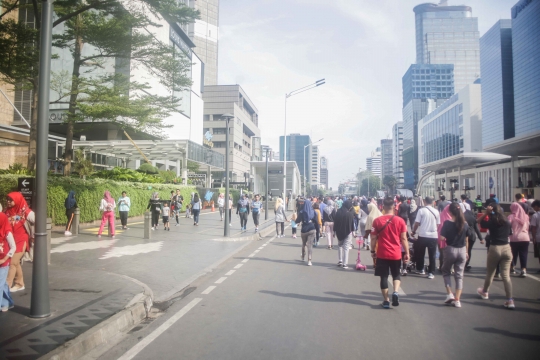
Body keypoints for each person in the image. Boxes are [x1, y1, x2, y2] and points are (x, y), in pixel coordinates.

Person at [370, 197, 409, 309]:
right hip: (396, 253)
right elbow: (404, 238)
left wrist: (373, 251)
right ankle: (396, 292)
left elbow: (373, 238)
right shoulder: (400, 221)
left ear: (382, 206)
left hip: (382, 253)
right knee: (396, 274)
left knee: (384, 277)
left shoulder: (377, 221)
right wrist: (407, 252)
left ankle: (386, 300)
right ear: (394, 207)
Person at [477, 203, 515, 309]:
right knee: (506, 276)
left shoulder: (492, 221)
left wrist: (486, 213)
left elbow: (478, 222)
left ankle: (484, 291)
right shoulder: (507, 221)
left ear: (492, 211)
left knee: (490, 273)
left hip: (495, 248)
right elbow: (510, 233)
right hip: (507, 248)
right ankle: (510, 300)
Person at [439, 202, 469, 308]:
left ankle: (449, 294)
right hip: (462, 251)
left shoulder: (447, 223)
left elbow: (442, 238)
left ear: (450, 212)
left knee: (446, 271)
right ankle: (457, 300)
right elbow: (466, 239)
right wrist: (466, 252)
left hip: (450, 250)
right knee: (459, 276)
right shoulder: (465, 224)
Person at [4, 192, 34, 292]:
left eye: (10, 200)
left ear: (16, 200)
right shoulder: (6, 211)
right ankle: (19, 284)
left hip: (22, 239)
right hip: (12, 241)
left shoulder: (26, 211)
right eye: (7, 199)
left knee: (12, 262)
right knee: (15, 263)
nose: (8, 201)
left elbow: (37, 221)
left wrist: (34, 235)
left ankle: (6, 286)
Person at [411, 196, 440, 279]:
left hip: (423, 235)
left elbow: (417, 223)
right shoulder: (436, 211)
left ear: (424, 201)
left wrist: (414, 231)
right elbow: (438, 224)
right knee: (432, 255)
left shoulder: (421, 211)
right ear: (433, 202)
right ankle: (431, 272)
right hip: (433, 236)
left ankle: (421, 269)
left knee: (421, 253)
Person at [508, 202, 529, 277]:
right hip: (525, 238)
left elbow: (508, 226)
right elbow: (527, 227)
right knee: (524, 254)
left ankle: (513, 267)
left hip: (514, 238)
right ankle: (523, 270)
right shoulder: (526, 216)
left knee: (513, 253)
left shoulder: (511, 217)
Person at [0, 212, 16, 312]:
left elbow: (13, 247)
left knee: (0, 284)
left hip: (3, 262)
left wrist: (4, 259)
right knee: (3, 284)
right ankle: (7, 302)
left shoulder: (7, 232)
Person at [334, 200, 355, 269]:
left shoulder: (338, 212)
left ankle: (340, 260)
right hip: (347, 232)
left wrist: (334, 232)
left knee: (340, 245)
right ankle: (344, 263)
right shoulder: (349, 214)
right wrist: (353, 232)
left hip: (339, 232)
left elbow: (335, 222)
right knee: (346, 248)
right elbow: (352, 224)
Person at [464, 207, 482, 271]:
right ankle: (466, 264)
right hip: (472, 236)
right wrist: (481, 238)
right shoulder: (473, 219)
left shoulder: (463, 217)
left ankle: (462, 263)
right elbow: (477, 229)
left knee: (463, 250)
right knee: (469, 250)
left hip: (464, 235)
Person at [298, 199, 316, 266]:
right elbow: (316, 221)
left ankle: (303, 257)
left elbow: (297, 220)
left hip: (304, 230)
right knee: (310, 245)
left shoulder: (302, 212)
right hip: (311, 229)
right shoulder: (313, 211)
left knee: (304, 243)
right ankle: (309, 260)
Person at [531, 200, 540, 273]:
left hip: (538, 237)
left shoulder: (535, 215)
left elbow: (533, 228)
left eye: (534, 207)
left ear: (537, 206)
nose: (534, 209)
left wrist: (533, 237)